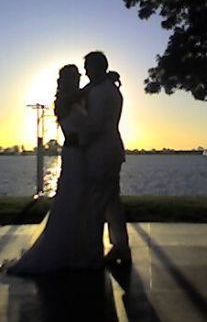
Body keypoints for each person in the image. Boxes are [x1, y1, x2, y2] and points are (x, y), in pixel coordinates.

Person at [0, 65, 97, 274]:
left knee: (80, 199)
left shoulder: (77, 99)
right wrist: (101, 80)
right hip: (74, 154)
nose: (79, 80)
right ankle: (62, 249)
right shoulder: (64, 100)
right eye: (75, 77)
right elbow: (83, 96)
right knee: (71, 197)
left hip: (82, 154)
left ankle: (77, 248)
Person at [80, 51, 131, 266]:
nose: (85, 72)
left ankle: (97, 251)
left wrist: (78, 142)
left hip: (103, 152)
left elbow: (96, 123)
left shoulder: (104, 91)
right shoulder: (103, 88)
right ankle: (120, 246)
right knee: (110, 202)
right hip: (107, 150)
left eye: (88, 67)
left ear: (98, 67)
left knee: (99, 202)